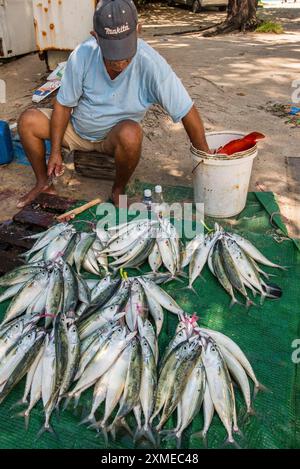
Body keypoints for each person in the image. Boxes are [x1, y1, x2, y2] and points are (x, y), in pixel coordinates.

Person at [17, 0, 210, 208]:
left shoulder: (152, 64)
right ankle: (43, 183)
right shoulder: (82, 54)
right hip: (76, 129)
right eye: (112, 55)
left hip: (113, 138)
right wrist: (55, 150)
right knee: (28, 121)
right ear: (96, 37)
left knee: (131, 133)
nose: (119, 63)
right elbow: (63, 106)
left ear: (138, 30)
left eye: (125, 54)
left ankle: (118, 190)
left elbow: (186, 110)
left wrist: (207, 162)